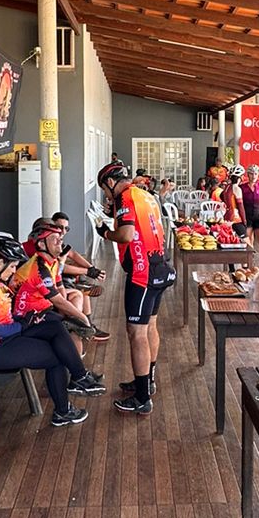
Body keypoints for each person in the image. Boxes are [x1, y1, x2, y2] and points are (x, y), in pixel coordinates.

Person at [0, 235, 103, 425]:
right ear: (0, 263)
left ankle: (79, 378)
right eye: (12, 266)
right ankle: (65, 407)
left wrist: (25, 320)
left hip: (10, 335)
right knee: (56, 357)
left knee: (55, 326)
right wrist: (22, 324)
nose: (14, 271)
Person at [95, 158, 169, 415]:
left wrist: (105, 232)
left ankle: (142, 398)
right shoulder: (143, 194)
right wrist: (113, 214)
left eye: (105, 190)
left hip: (142, 272)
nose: (106, 196)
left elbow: (126, 235)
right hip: (160, 265)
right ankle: (146, 382)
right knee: (150, 326)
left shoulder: (125, 197)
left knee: (136, 333)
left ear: (111, 182)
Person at [17, 219, 109, 342]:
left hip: (47, 288)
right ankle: (85, 325)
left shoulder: (53, 246)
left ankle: (85, 325)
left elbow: (71, 255)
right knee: (76, 301)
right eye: (60, 227)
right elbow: (60, 268)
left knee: (79, 296)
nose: (63, 233)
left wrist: (91, 269)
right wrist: (87, 271)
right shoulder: (37, 255)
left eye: (66, 228)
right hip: (34, 297)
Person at [241, 163, 259, 268]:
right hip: (247, 216)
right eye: (251, 173)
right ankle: (249, 263)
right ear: (248, 174)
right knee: (248, 241)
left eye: (255, 174)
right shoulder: (242, 187)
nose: (253, 176)